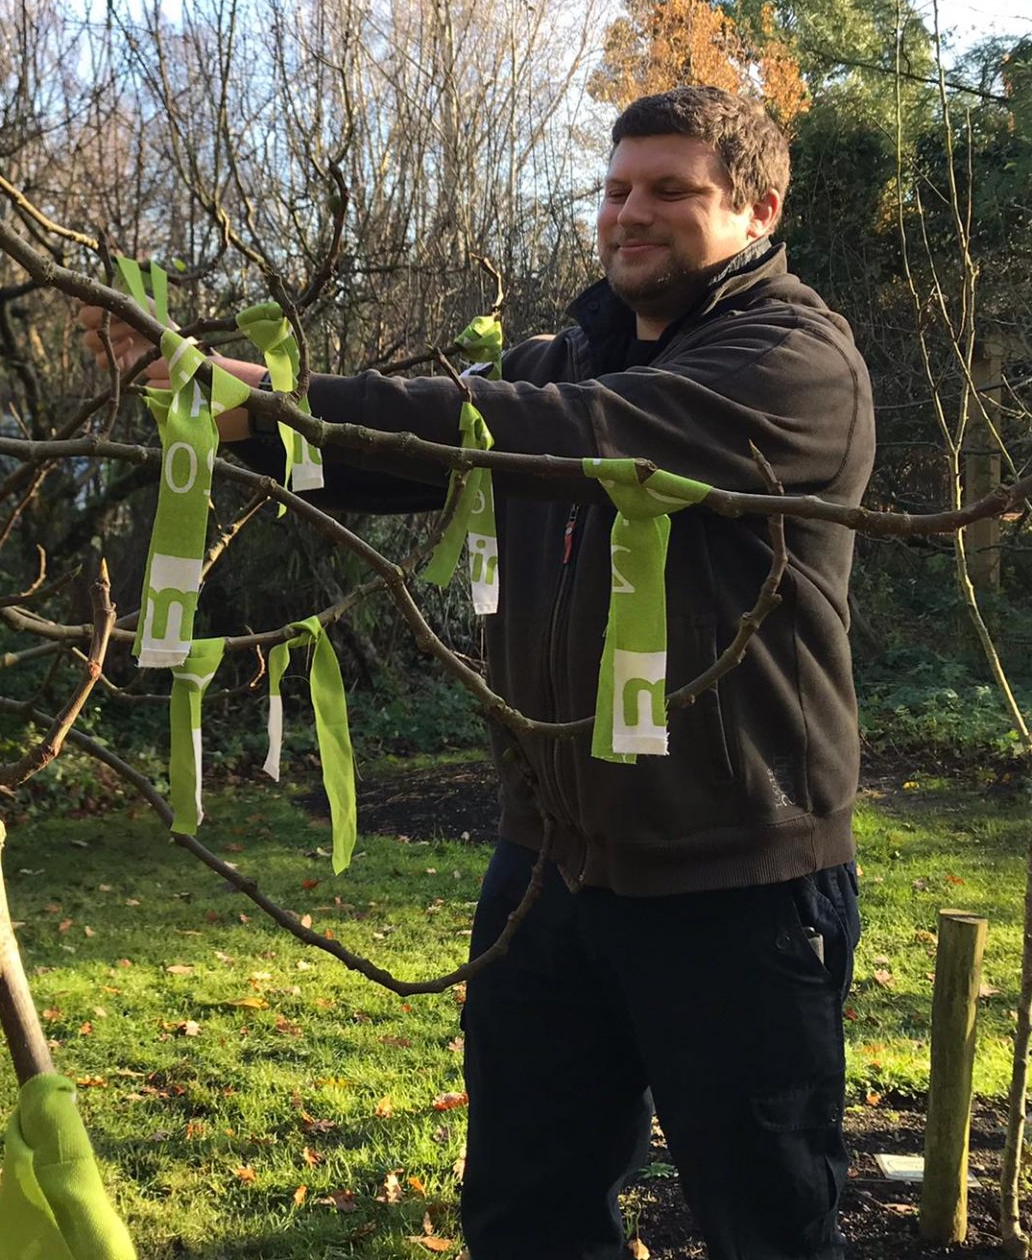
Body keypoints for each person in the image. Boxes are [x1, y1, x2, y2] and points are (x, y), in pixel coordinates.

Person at [79, 86, 874, 1260]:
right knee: (525, 1215)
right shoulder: (571, 357)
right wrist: (222, 403)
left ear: (759, 209)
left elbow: (567, 431)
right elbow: (414, 450)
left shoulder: (792, 361)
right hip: (549, 866)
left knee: (770, 1226)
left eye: (671, 190)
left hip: (735, 879)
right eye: (616, 189)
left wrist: (266, 398)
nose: (629, 214)